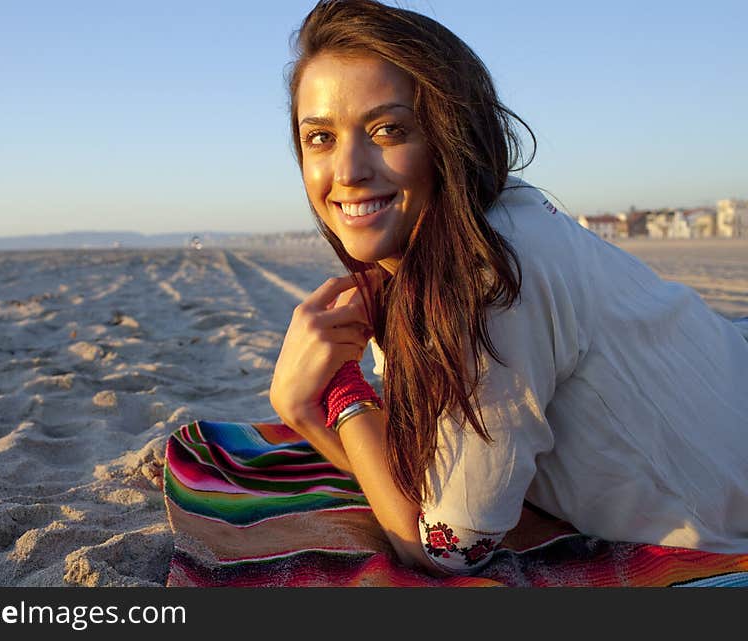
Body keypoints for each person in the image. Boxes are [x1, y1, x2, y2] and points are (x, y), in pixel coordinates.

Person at [268, 0, 748, 576]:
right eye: (320, 137)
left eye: (387, 129)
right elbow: (416, 451)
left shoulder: (488, 277)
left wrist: (325, 399)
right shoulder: (497, 215)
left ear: (450, 135)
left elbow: (445, 548)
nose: (346, 170)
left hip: (718, 518)